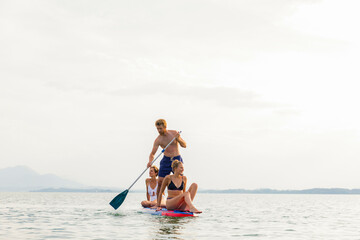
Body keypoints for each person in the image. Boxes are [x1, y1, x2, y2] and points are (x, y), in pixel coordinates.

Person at [147, 119, 187, 197]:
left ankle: (183, 198)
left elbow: (184, 145)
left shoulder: (174, 133)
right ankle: (158, 202)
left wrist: (178, 139)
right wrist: (150, 161)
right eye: (157, 129)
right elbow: (152, 153)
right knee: (160, 182)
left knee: (180, 179)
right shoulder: (158, 140)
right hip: (166, 160)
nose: (159, 130)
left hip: (176, 159)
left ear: (165, 127)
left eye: (160, 128)